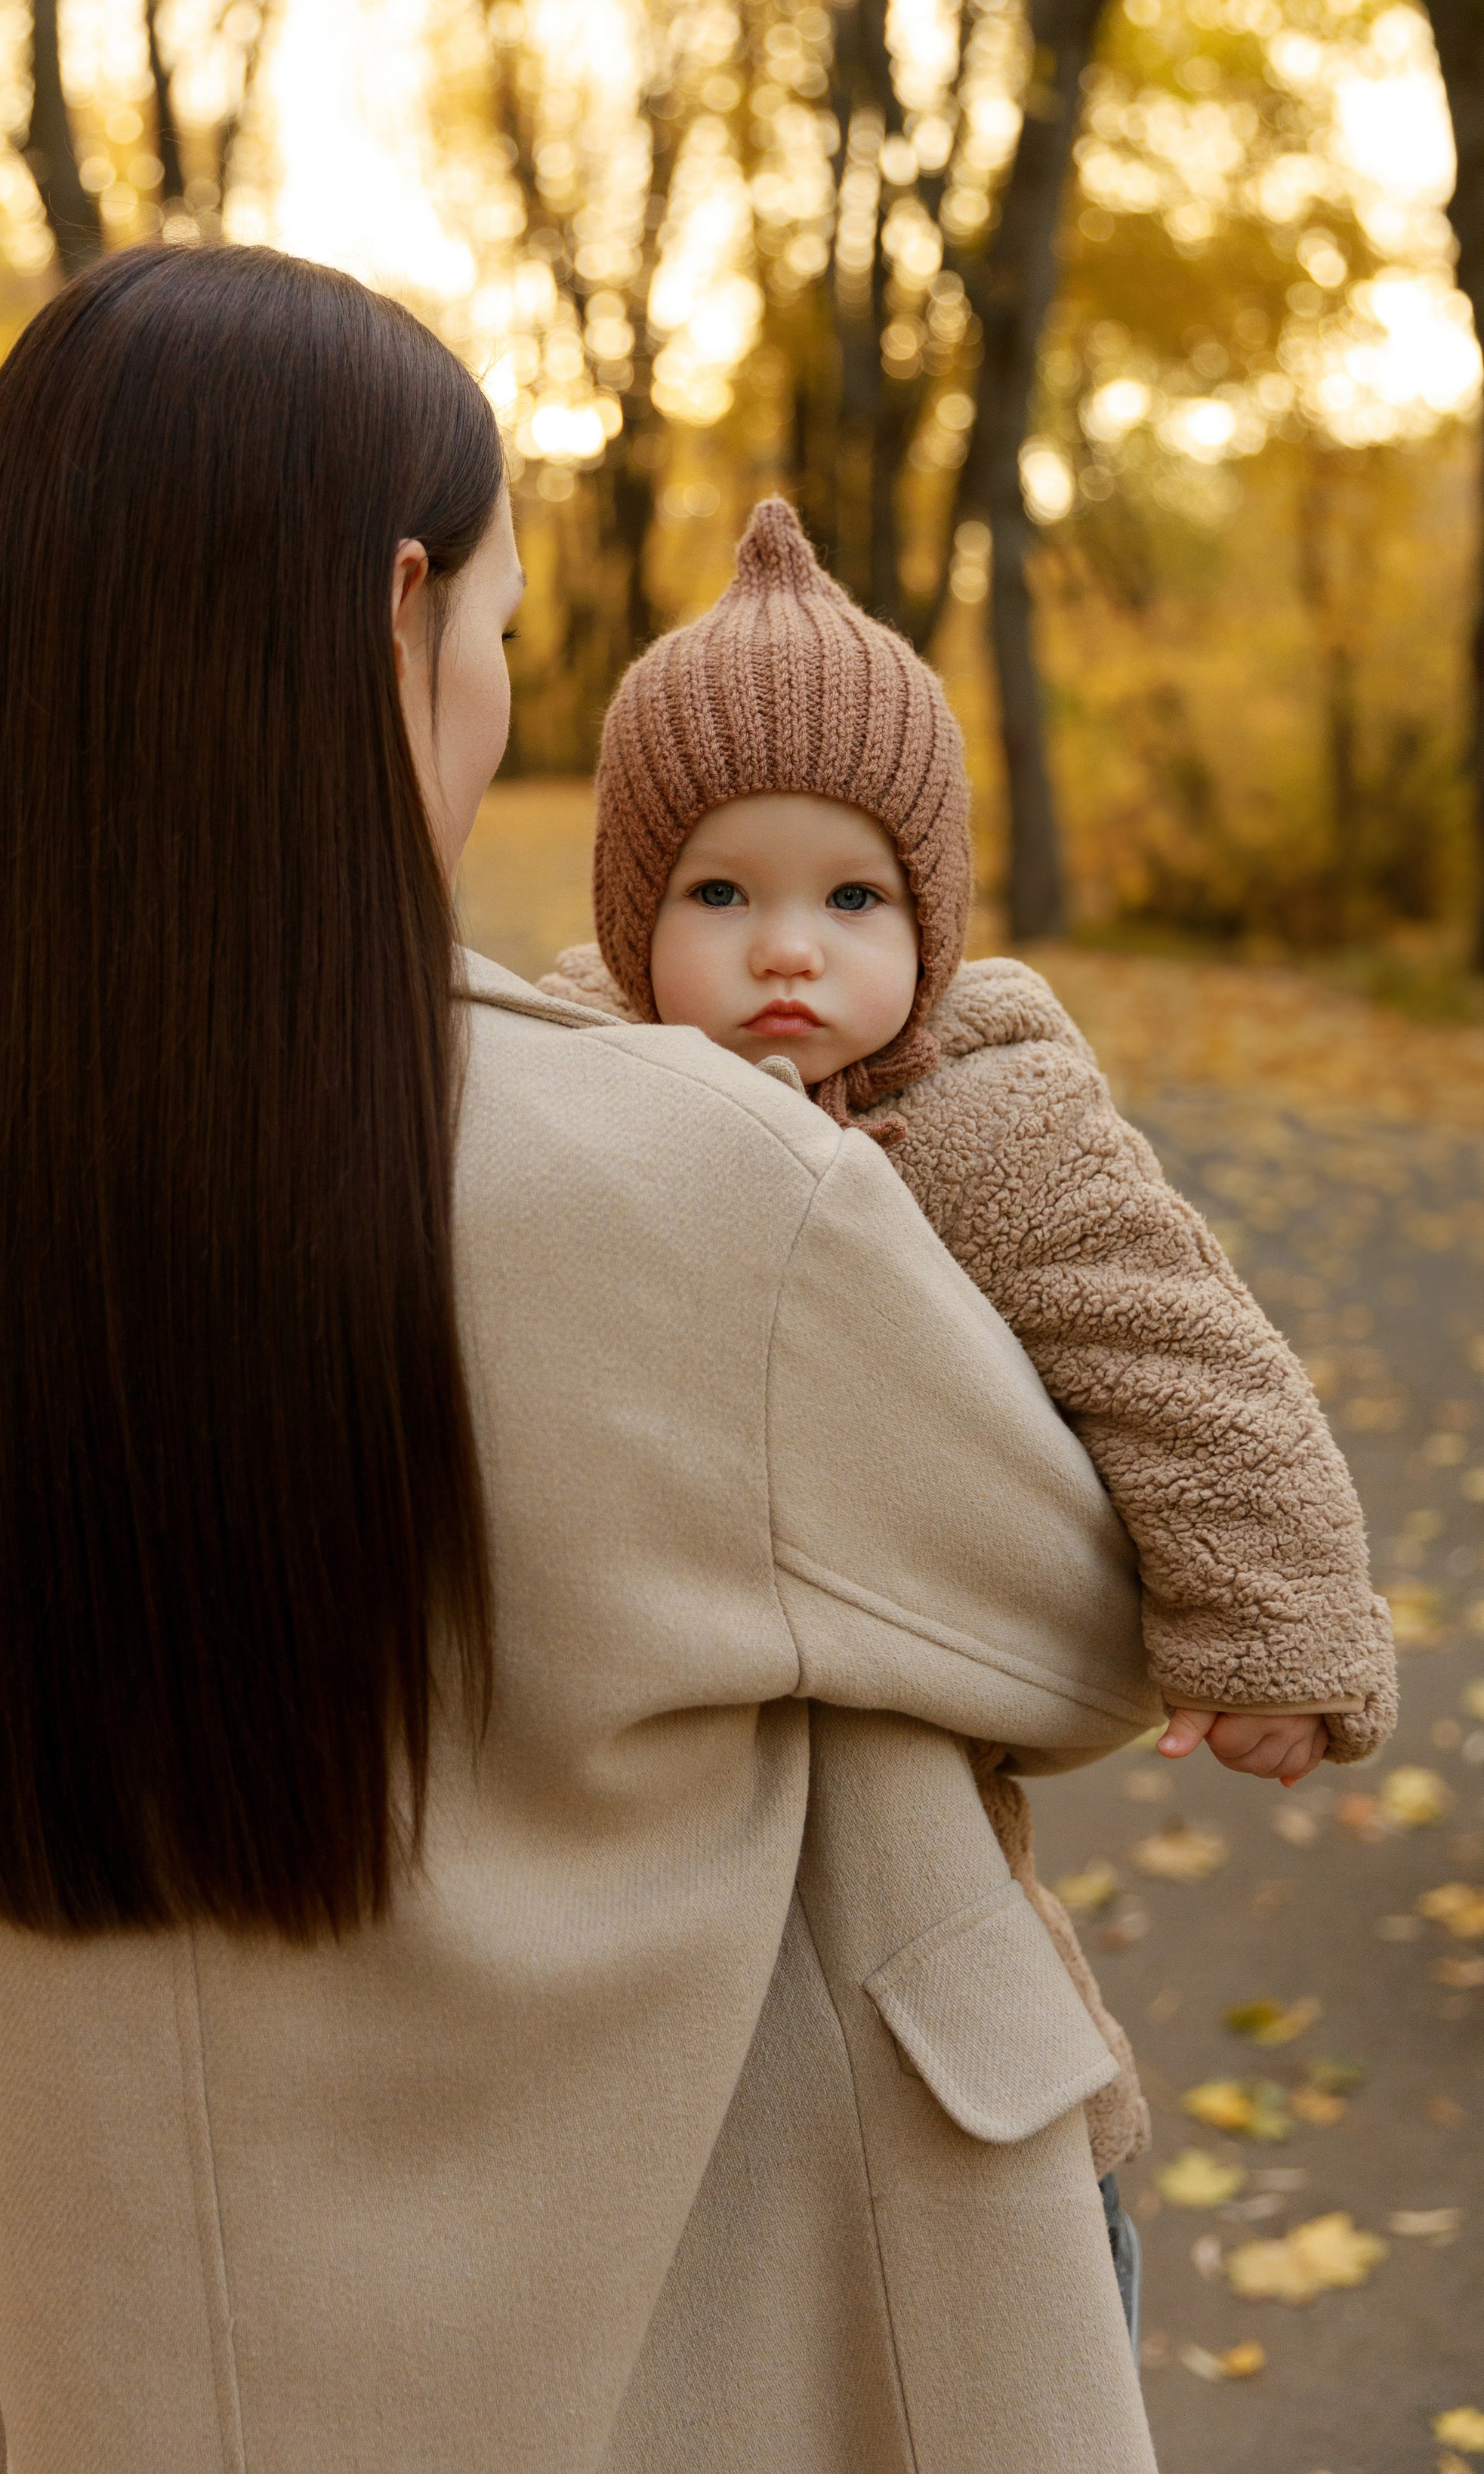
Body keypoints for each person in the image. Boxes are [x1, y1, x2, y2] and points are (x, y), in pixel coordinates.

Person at [0, 243, 1168, 2474]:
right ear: (397, 621)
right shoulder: (705, 1187)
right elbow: (1078, 1639)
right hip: (723, 2345)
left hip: (125, 2358)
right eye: (500, 634)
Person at [540, 492, 1397, 2237]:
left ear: (928, 917)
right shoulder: (575, 1102)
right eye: (719, 891)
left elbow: (1183, 1357)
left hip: (911, 1733)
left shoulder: (990, 1126)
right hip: (647, 1727)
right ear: (633, 917)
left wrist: (1273, 1631)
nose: (788, 947)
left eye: (850, 894)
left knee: (948, 2037)